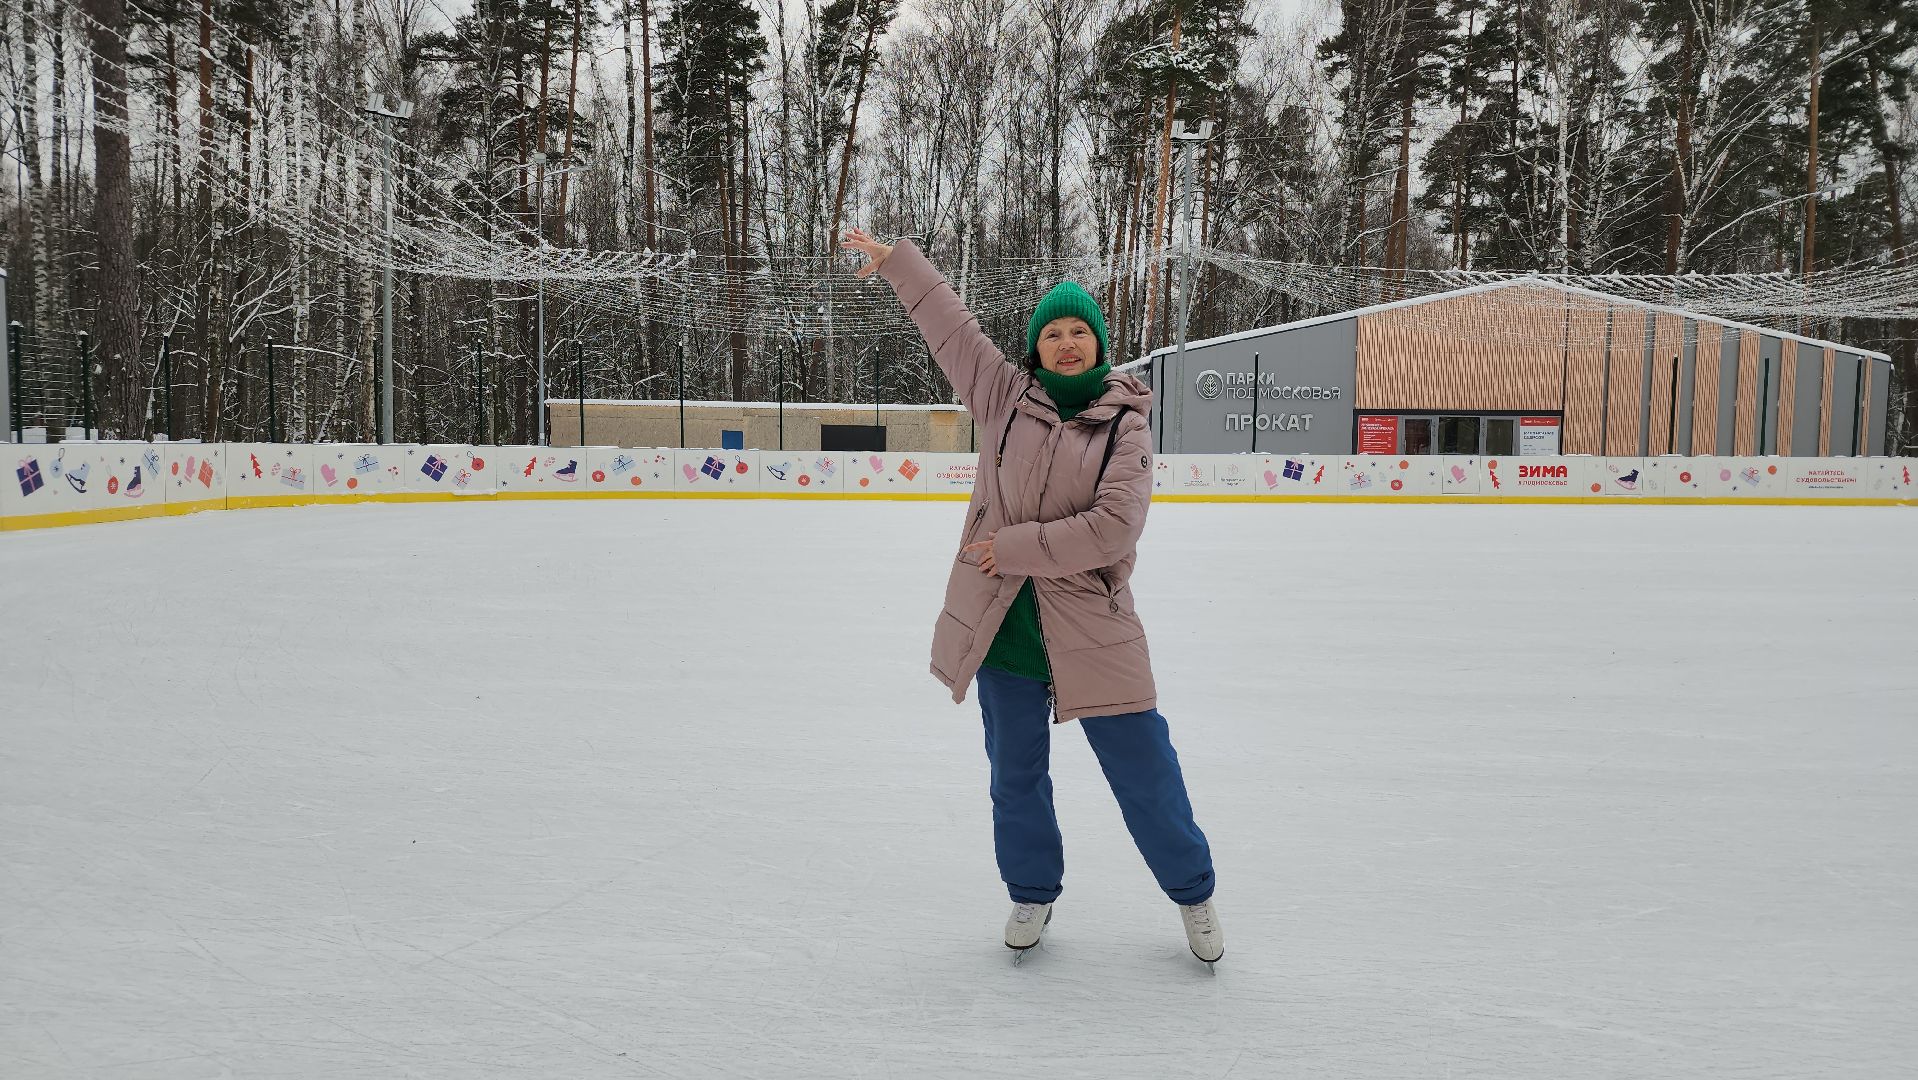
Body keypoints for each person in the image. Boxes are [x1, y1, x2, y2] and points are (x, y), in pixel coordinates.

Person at [841, 228, 1222, 964]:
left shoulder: (1126, 428)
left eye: (1081, 331)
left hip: (1093, 630)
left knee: (1147, 776)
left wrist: (1012, 547)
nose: (1068, 342)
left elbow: (1113, 529)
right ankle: (1031, 892)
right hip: (1004, 630)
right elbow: (950, 325)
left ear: (1101, 345)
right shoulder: (1003, 398)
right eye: (1053, 332)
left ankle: (1195, 894)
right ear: (1035, 349)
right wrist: (900, 266)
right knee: (1015, 777)